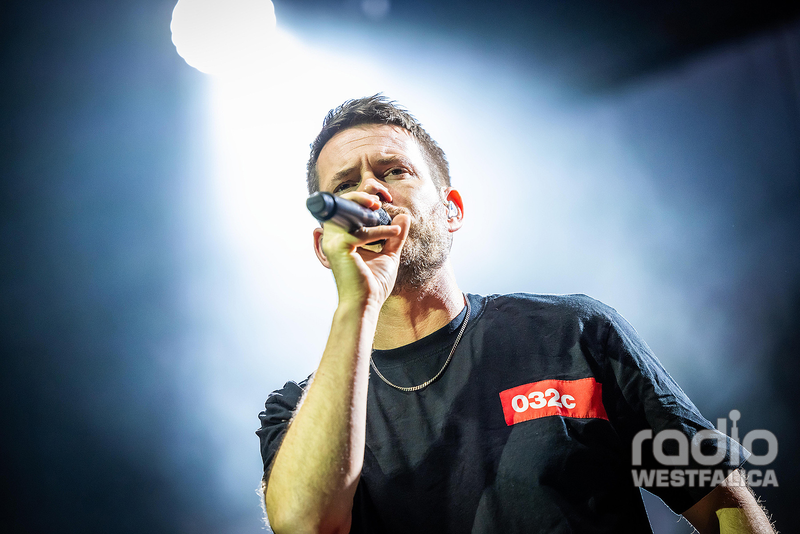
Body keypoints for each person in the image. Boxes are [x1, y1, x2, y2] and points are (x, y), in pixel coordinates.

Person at [256, 95, 775, 534]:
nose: (373, 192)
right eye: (345, 186)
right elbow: (306, 524)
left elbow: (718, 500)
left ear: (452, 210)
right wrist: (359, 303)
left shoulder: (574, 334)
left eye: (395, 171)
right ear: (324, 246)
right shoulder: (299, 410)